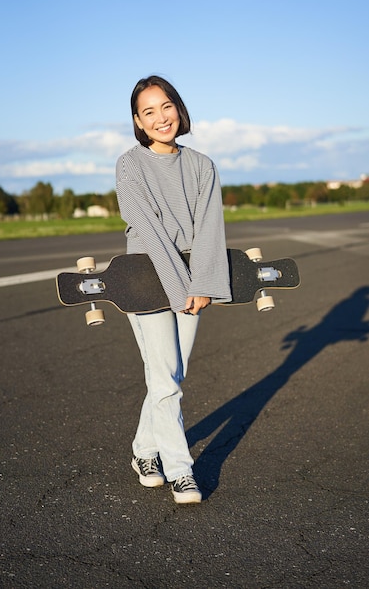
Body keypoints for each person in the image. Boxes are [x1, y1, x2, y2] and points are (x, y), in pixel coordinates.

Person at [116, 75, 231, 504]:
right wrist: (180, 286)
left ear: (178, 109)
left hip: (188, 279)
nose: (160, 117)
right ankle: (180, 470)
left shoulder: (202, 165)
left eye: (166, 107)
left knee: (169, 377)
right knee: (165, 378)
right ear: (139, 122)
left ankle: (144, 451)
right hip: (144, 277)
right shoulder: (129, 164)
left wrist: (201, 283)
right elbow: (147, 228)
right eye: (149, 112)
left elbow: (209, 229)